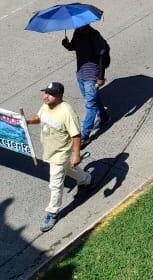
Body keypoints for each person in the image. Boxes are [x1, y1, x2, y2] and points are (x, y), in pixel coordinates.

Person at [26, 81, 92, 232]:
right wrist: (29, 121)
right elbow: (39, 117)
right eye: (45, 93)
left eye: (50, 94)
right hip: (50, 151)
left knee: (55, 184)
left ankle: (52, 213)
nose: (45, 96)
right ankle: (86, 180)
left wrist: (76, 155)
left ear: (59, 96)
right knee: (68, 169)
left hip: (61, 153)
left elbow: (75, 135)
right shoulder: (46, 106)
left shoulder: (67, 112)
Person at [62, 23, 110, 141]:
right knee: (92, 100)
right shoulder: (78, 32)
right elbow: (73, 46)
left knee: (90, 106)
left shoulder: (94, 35)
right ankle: (104, 117)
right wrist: (66, 44)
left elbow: (102, 54)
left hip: (92, 75)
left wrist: (101, 77)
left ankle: (85, 135)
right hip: (80, 74)